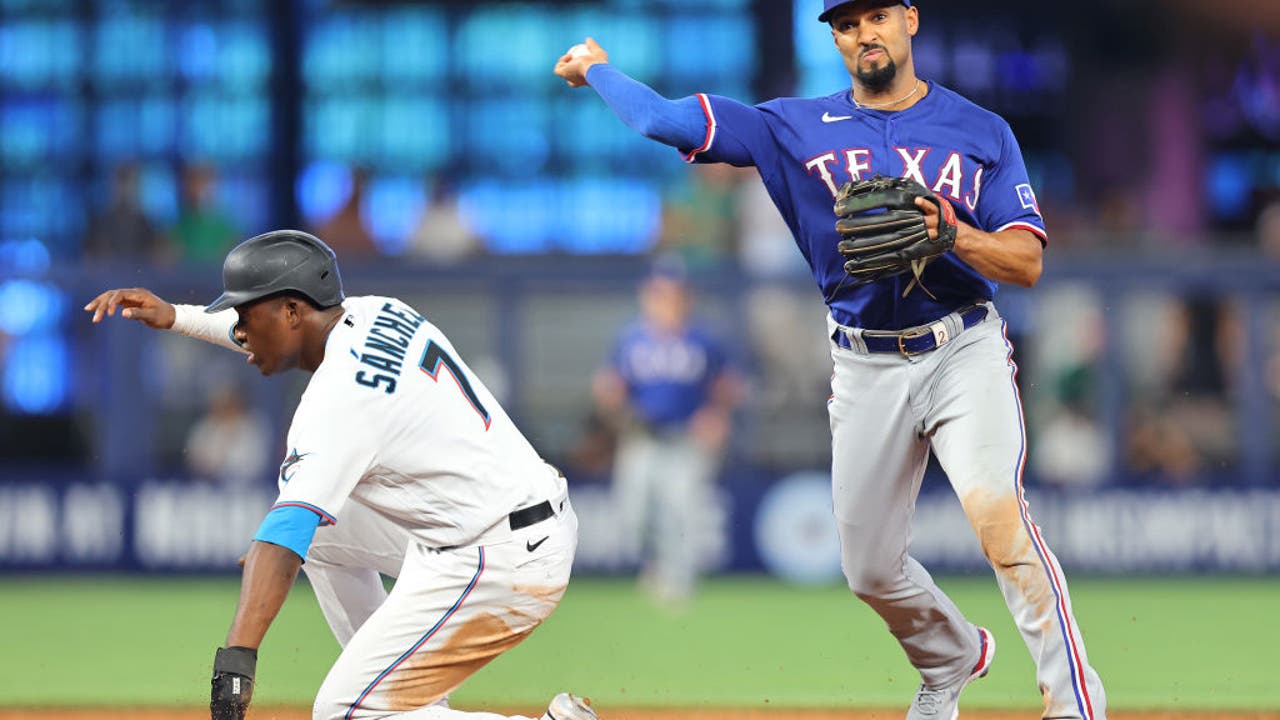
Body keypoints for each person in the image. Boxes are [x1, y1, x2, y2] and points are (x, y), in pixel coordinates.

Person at [554, 2, 1107, 718]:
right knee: (870, 570)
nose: (862, 33)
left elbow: (1026, 260)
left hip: (961, 345)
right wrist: (596, 68)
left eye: (876, 14)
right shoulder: (791, 125)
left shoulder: (980, 130)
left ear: (910, 18)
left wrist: (951, 235)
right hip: (864, 361)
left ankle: (1076, 705)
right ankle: (951, 659)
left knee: (1000, 518)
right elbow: (664, 119)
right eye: (845, 24)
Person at [84, 230, 597, 720]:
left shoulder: (337, 404)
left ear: (291, 310)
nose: (239, 329)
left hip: (502, 560)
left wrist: (236, 662)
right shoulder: (375, 311)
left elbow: (282, 537)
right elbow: (277, 334)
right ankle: (407, 703)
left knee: (344, 710)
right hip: (507, 521)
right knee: (323, 538)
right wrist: (177, 316)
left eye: (245, 312)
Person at [592, 266, 740, 607]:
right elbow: (612, 385)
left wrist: (716, 415)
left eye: (672, 295)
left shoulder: (703, 339)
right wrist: (610, 399)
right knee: (634, 513)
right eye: (659, 295)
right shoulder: (631, 338)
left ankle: (678, 585)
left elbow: (727, 386)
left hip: (686, 439)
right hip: (642, 437)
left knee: (682, 510)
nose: (665, 303)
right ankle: (655, 566)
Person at [184, 383, 273, 489]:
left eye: (229, 400)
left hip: (247, 491)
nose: (224, 405)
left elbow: (257, 465)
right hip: (208, 491)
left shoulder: (256, 425)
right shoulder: (205, 426)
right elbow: (193, 459)